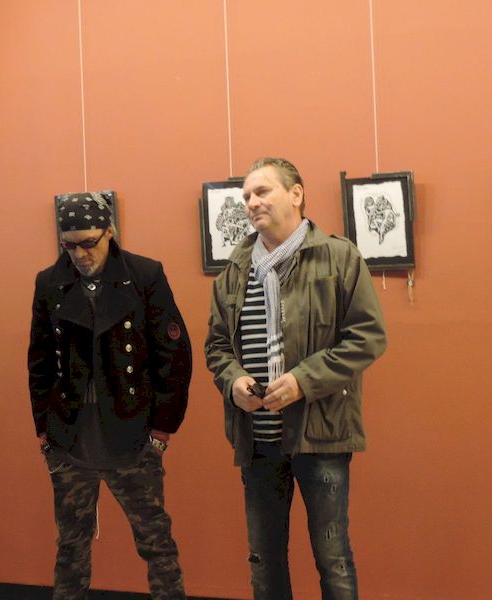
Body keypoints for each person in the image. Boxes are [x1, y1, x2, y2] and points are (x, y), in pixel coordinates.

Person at [204, 158, 386, 600]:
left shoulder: (339, 257)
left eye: (262, 191)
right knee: (264, 559)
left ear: (296, 194)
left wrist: (304, 380)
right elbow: (217, 347)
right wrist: (233, 382)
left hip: (321, 435)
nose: (251, 202)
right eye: (246, 196)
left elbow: (367, 337)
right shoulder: (234, 270)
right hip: (257, 440)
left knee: (333, 558)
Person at [28, 192, 192, 599]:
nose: (80, 254)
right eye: (70, 245)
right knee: (71, 545)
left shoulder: (144, 274)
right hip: (70, 434)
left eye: (89, 242)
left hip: (132, 430)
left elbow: (173, 354)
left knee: (156, 539)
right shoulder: (49, 282)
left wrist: (162, 431)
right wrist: (44, 431)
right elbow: (39, 361)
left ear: (109, 232)